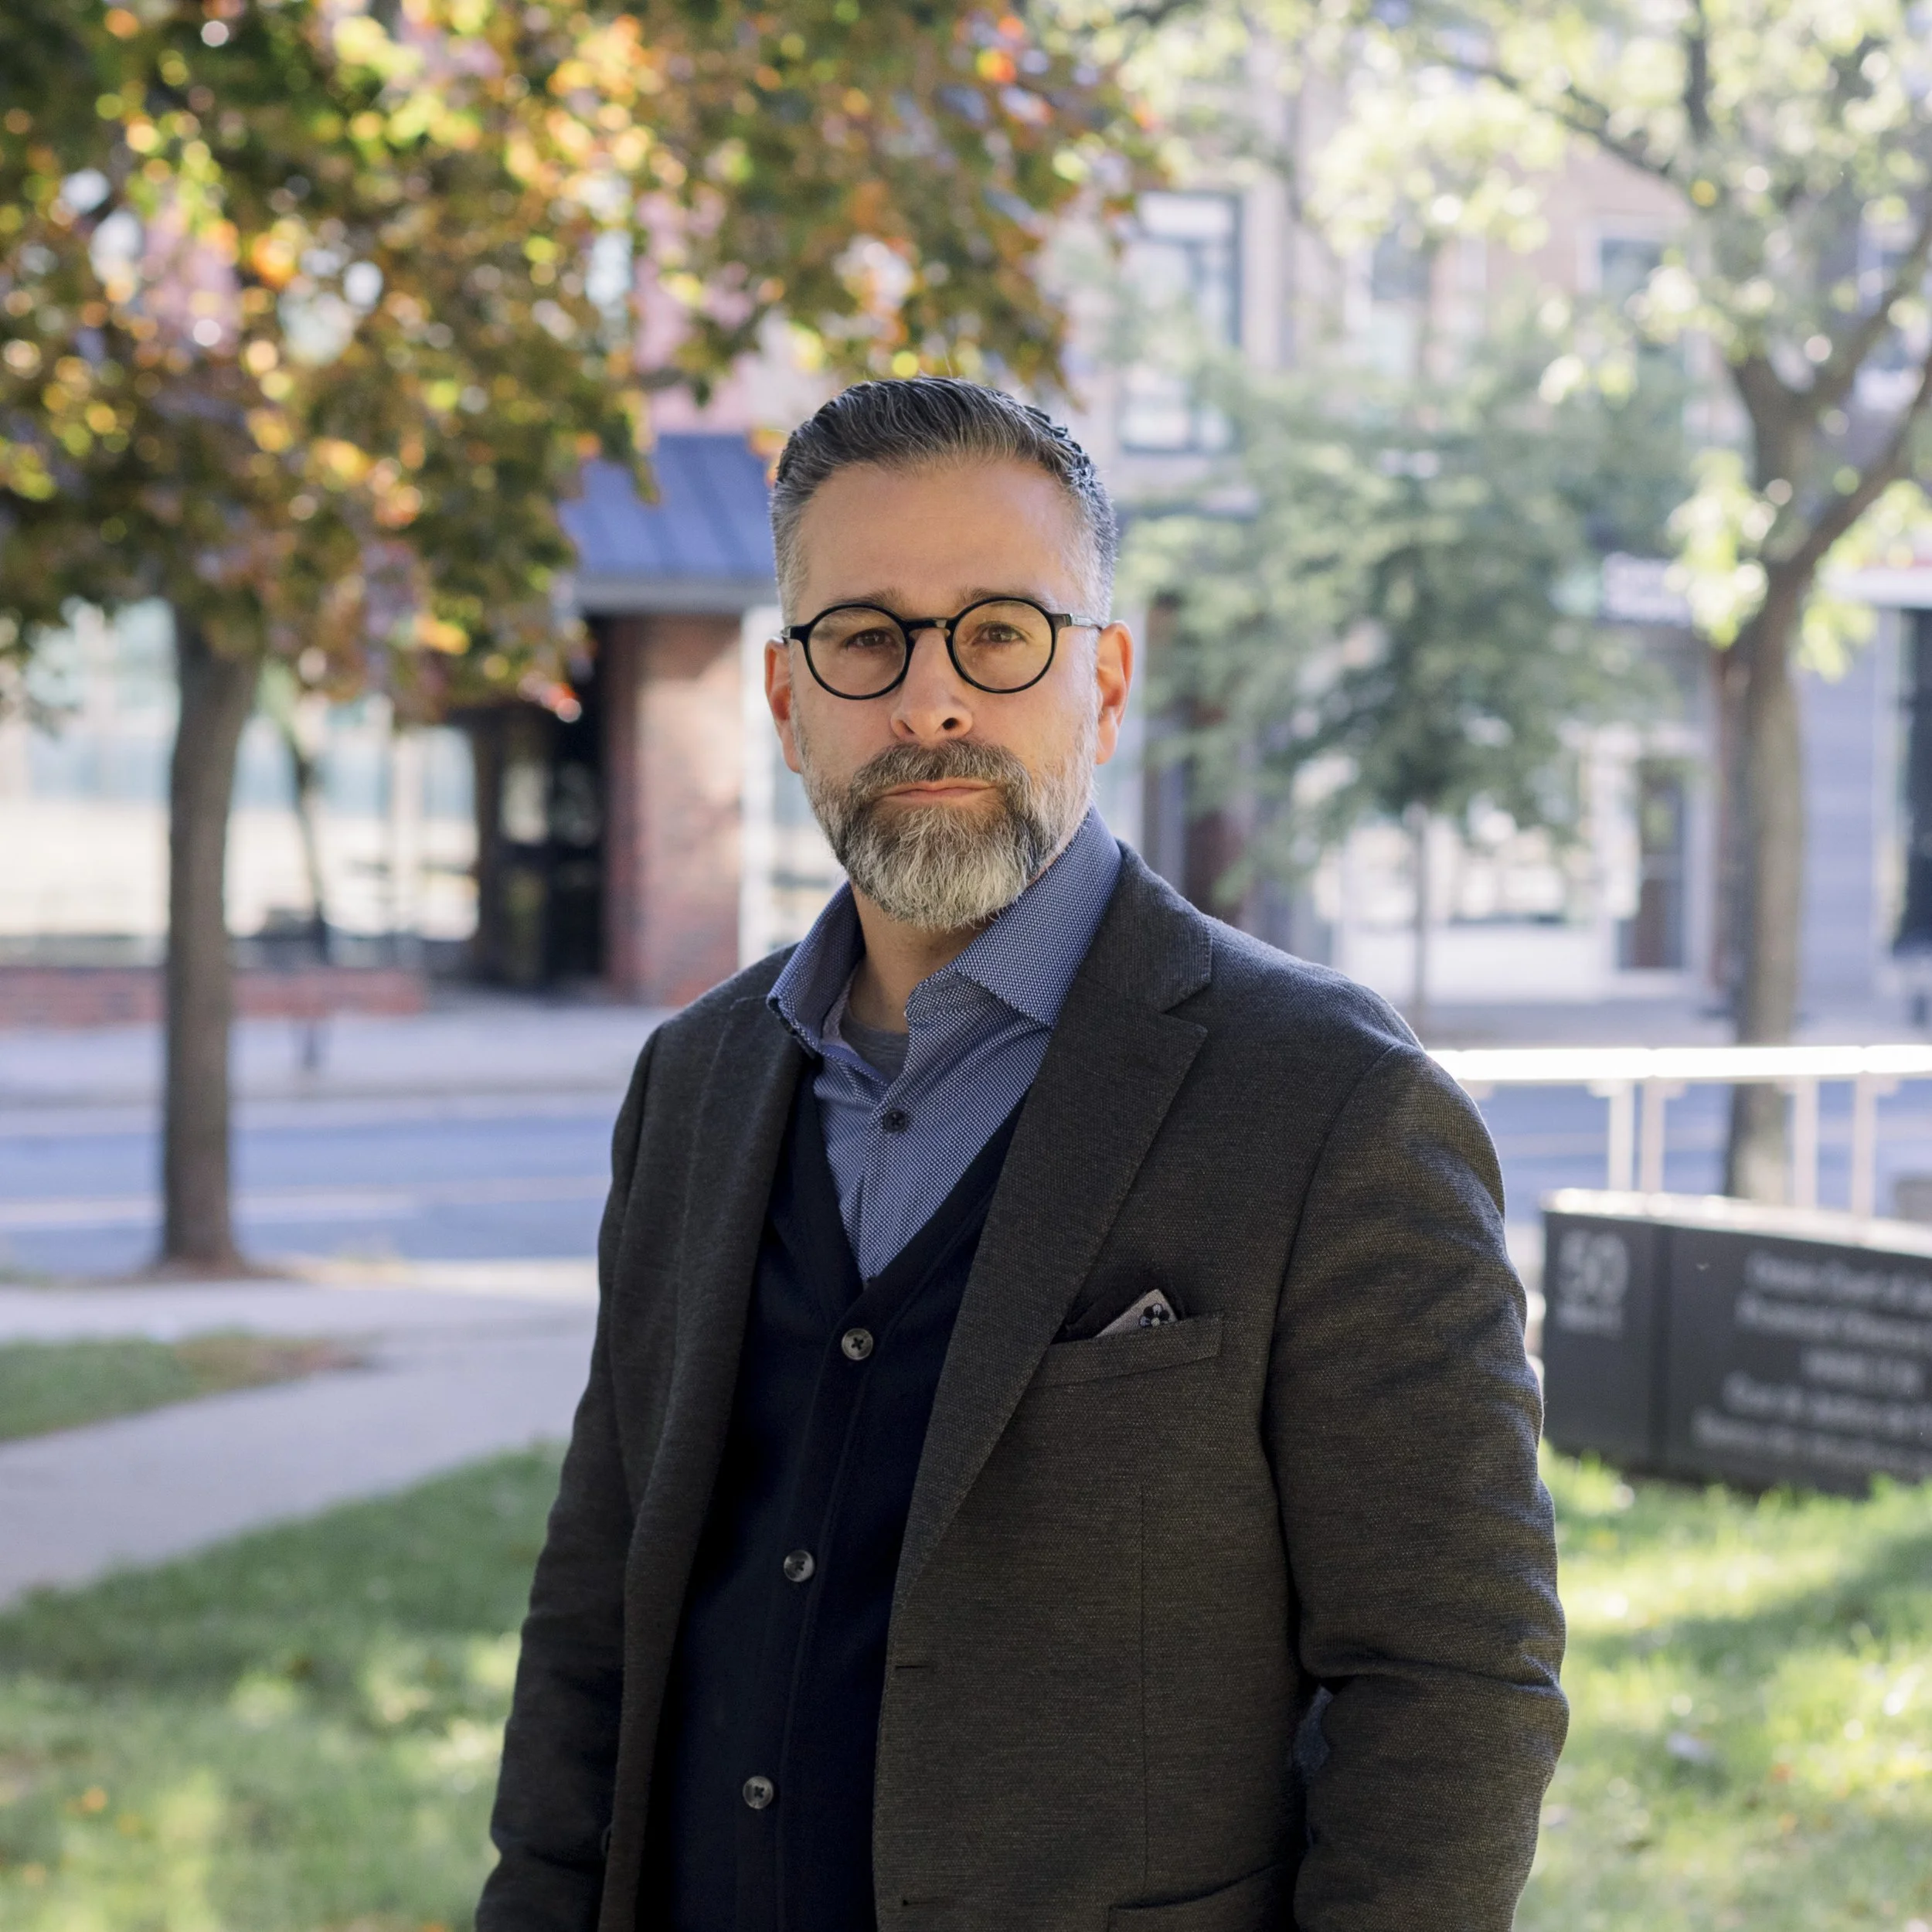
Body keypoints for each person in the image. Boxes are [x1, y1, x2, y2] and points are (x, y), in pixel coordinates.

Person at [478, 377, 1565, 1932]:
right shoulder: (696, 1083)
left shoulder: (1330, 1103)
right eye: (864, 636)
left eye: (999, 631)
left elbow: (1454, 1680)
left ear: (1105, 682)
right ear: (785, 699)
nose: (930, 700)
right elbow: (597, 1612)